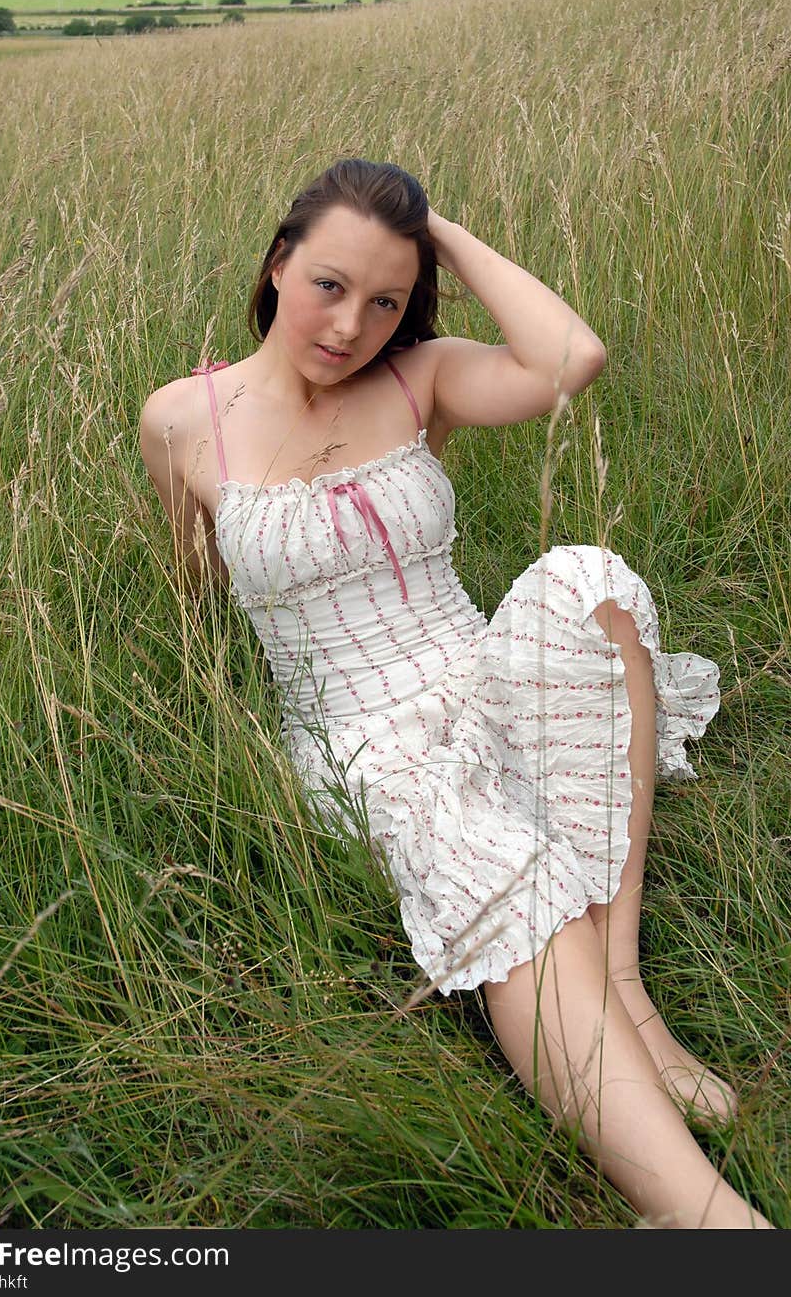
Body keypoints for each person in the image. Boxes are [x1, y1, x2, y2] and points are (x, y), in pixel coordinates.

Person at [139, 157, 773, 1229]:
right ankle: (705, 1219)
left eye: (386, 298)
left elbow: (572, 356)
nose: (350, 324)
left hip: (474, 668)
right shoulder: (180, 418)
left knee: (588, 577)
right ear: (277, 264)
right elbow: (197, 589)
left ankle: (620, 984)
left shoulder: (416, 377)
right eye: (329, 284)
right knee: (483, 845)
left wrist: (437, 230)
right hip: (361, 737)